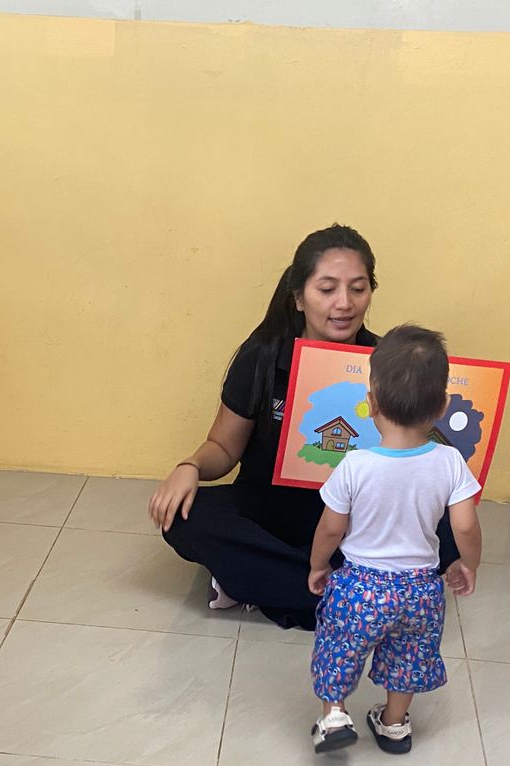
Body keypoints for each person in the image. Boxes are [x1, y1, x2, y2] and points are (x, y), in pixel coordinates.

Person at [150, 225, 469, 630]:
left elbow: (415, 458)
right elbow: (224, 447)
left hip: (358, 517)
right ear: (299, 297)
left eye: (358, 289)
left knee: (450, 528)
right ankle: (353, 593)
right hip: (271, 509)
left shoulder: (389, 363)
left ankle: (262, 580)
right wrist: (190, 467)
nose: (344, 303)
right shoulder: (263, 356)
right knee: (185, 516)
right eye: (327, 289)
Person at [307, 325, 483, 753]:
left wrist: (318, 564)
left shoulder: (355, 465)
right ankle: (393, 724)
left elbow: (331, 527)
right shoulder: (450, 462)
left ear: (372, 403)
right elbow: (464, 526)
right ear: (442, 406)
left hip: (360, 587)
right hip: (421, 590)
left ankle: (334, 716)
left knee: (340, 646)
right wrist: (468, 564)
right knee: (409, 654)